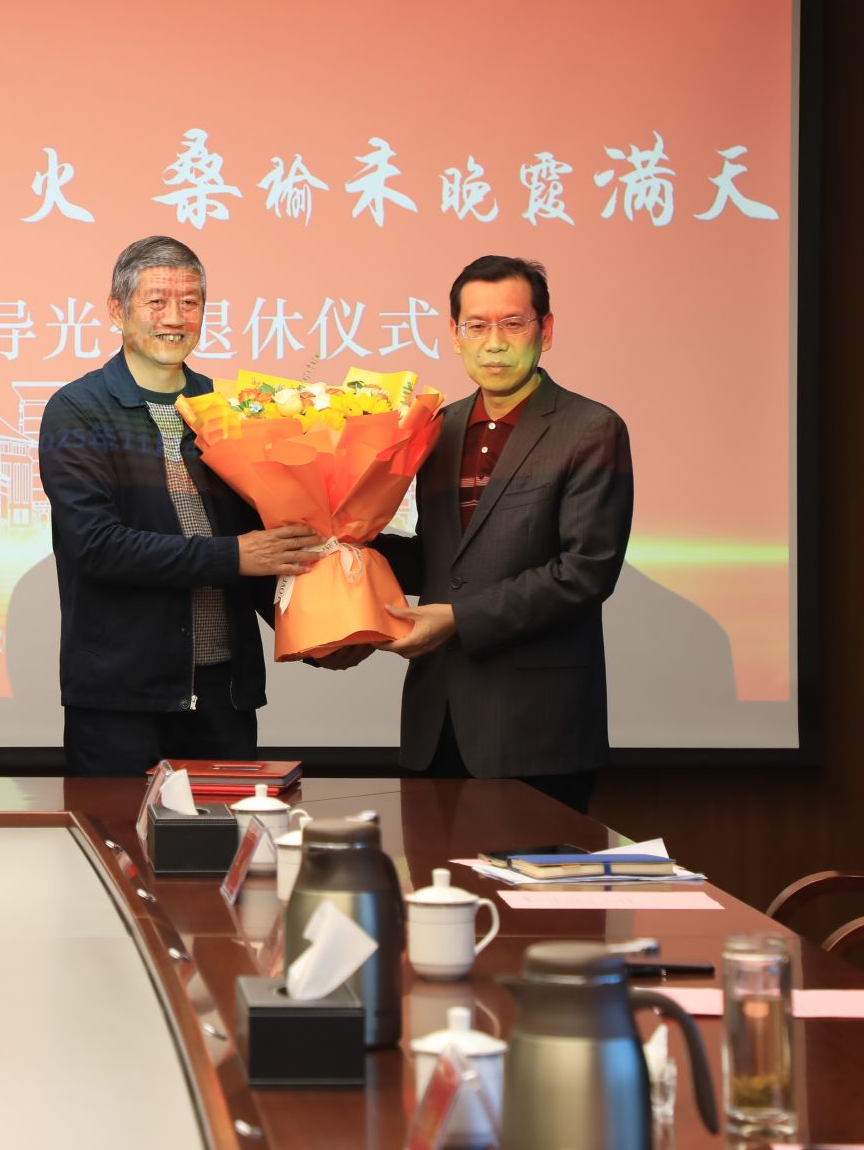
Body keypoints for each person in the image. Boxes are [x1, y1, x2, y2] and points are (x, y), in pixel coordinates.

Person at [39, 237, 321, 777]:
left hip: (223, 693)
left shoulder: (227, 409)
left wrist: (322, 632)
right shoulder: (78, 410)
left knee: (224, 832)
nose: (175, 318)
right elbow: (95, 547)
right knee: (116, 830)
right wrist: (233, 556)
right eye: (156, 302)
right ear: (117, 311)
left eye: (190, 303)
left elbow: (265, 545)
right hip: (122, 697)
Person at [365, 256, 633, 813]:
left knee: (533, 874)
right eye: (477, 326)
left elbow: (585, 571)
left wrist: (457, 618)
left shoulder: (591, 428)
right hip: (434, 720)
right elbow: (438, 561)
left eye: (513, 324)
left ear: (545, 331)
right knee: (433, 872)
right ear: (454, 335)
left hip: (537, 728)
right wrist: (345, 543)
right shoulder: (435, 429)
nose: (494, 343)